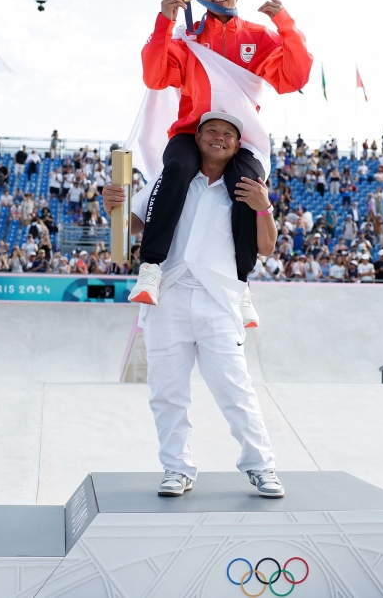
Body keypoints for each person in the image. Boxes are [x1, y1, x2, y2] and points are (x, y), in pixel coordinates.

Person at [103, 111, 285, 499]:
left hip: (218, 301)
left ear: (238, 145)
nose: (218, 138)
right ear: (197, 136)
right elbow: (132, 224)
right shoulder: (170, 178)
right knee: (166, 391)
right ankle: (176, 468)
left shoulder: (247, 187)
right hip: (167, 295)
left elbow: (267, 246)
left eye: (227, 134)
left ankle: (260, 466)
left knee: (235, 389)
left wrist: (264, 207)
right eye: (211, 131)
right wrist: (111, 204)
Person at [129, 0, 313, 328]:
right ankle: (151, 267)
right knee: (178, 168)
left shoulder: (258, 37)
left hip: (241, 138)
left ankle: (241, 283)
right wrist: (164, 21)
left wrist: (284, 22)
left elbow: (294, 76)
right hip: (192, 134)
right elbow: (154, 74)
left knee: (245, 186)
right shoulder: (188, 37)